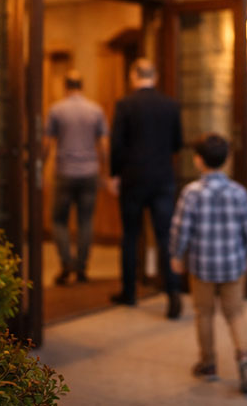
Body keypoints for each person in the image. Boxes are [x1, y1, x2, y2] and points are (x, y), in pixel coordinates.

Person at [169, 133, 247, 394]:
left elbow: (180, 228)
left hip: (202, 266)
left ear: (198, 161)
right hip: (233, 264)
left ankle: (208, 364)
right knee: (236, 313)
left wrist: (177, 255)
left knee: (204, 313)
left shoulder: (192, 193)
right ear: (226, 160)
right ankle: (246, 359)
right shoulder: (238, 192)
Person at [108, 58, 183, 319]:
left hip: (133, 178)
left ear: (133, 75)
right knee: (165, 237)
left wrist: (114, 174)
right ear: (156, 76)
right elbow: (177, 143)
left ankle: (129, 293)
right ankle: (172, 293)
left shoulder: (125, 104)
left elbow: (116, 144)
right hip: (162, 177)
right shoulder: (170, 105)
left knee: (130, 235)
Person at [44, 70, 108, 286]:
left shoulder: (56, 109)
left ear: (65, 86)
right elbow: (104, 144)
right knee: (86, 221)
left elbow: (47, 143)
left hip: (65, 171)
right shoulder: (95, 109)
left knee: (59, 220)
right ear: (82, 85)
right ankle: (81, 267)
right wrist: (105, 170)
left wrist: (40, 166)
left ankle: (66, 264)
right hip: (89, 171)